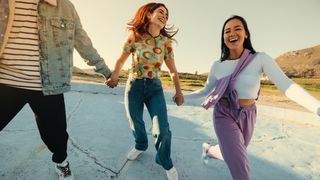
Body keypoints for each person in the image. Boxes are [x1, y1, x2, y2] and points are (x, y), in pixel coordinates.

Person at [184, 15, 320, 180]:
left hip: (248, 114)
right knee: (240, 166)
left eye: (237, 28)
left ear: (246, 34)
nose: (232, 33)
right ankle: (214, 151)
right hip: (223, 114)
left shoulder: (259, 59)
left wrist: (316, 107)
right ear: (223, 38)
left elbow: (286, 85)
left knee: (231, 153)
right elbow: (205, 91)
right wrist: (181, 98)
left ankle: (209, 150)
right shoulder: (217, 65)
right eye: (227, 31)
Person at [0, 0, 112, 179]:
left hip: (48, 85)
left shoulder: (65, 6)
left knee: (57, 136)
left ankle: (62, 162)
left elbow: (82, 42)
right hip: (5, 82)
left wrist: (105, 71)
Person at [106, 2, 184, 180]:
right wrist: (115, 77)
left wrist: (179, 92)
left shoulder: (166, 42)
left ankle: (165, 160)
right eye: (161, 12)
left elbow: (172, 70)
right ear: (149, 14)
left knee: (162, 129)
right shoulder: (135, 35)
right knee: (135, 121)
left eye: (167, 14)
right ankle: (141, 145)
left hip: (155, 88)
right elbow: (120, 60)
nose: (164, 16)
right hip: (134, 86)